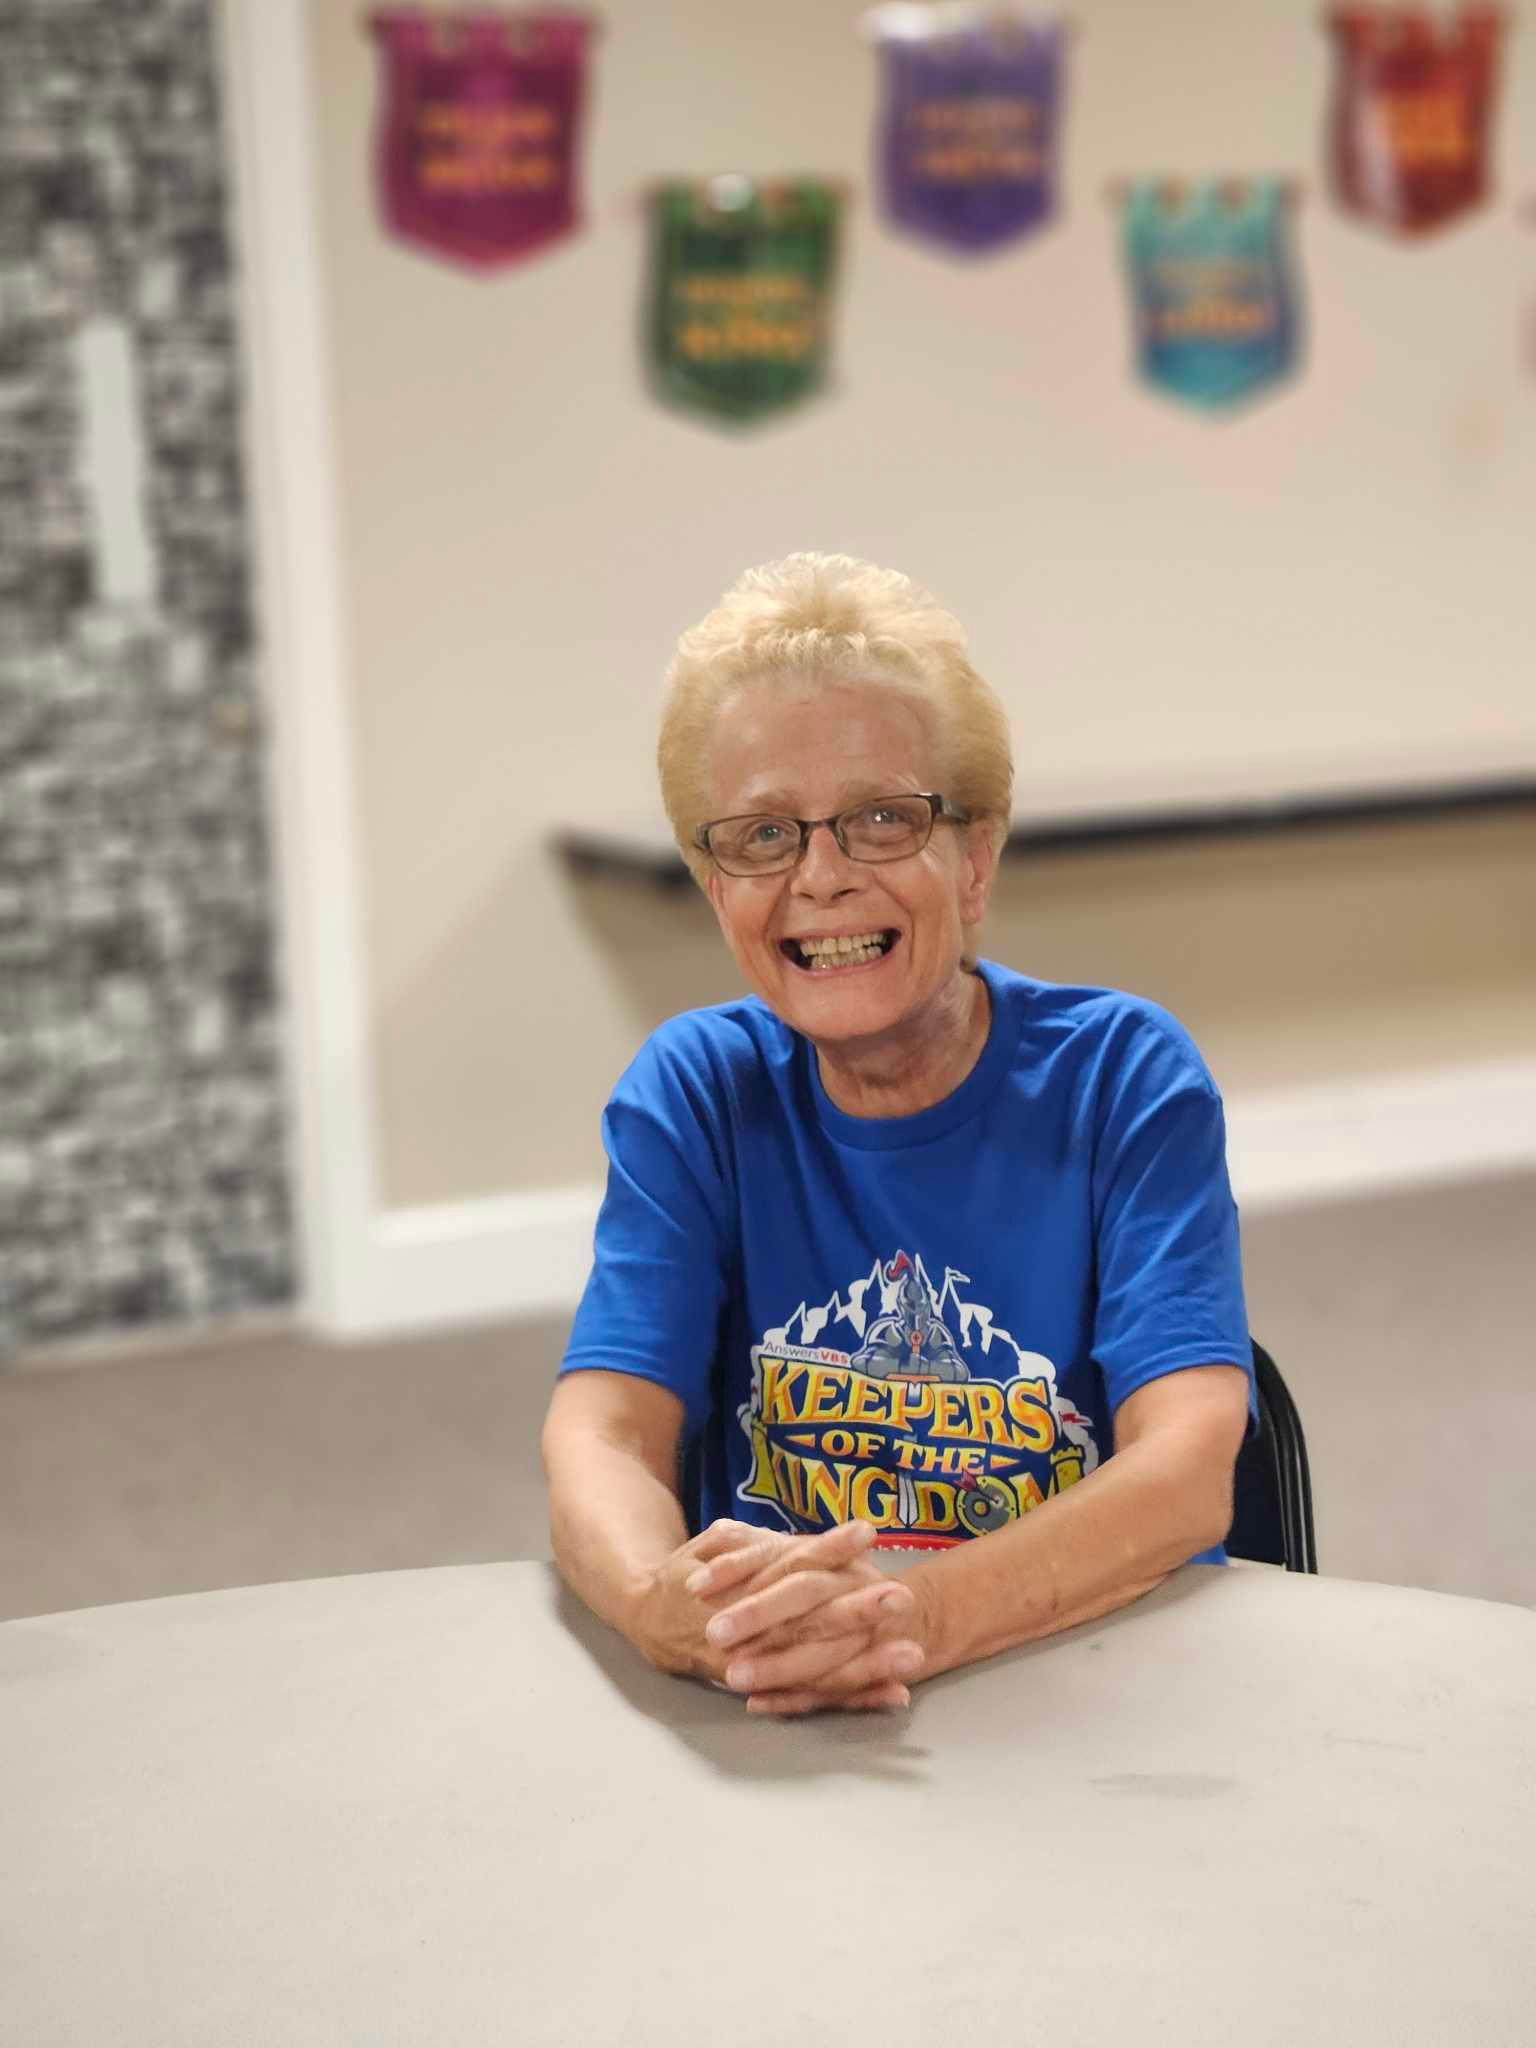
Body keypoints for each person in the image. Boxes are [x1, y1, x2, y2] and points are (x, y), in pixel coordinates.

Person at [543, 554, 1252, 1717]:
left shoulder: (1123, 1076)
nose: (820, 877)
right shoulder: (695, 1090)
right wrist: (665, 1608)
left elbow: (1185, 1472)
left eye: (882, 818)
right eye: (763, 834)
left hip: (1090, 1688)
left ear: (974, 859)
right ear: (716, 886)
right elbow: (602, 1433)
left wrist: (904, 1618)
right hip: (782, 1705)